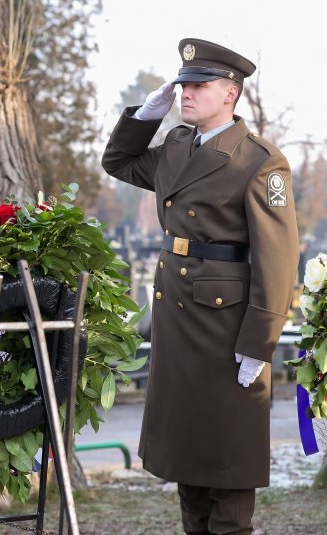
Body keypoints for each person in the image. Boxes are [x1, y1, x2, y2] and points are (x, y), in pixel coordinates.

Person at [102, 38, 299, 534]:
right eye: (182, 84)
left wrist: (259, 344)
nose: (184, 92)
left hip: (225, 326)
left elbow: (277, 261)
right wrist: (144, 117)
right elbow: (119, 163)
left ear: (230, 93)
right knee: (188, 464)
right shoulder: (174, 146)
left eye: (198, 84)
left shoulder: (259, 160)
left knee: (228, 467)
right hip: (177, 319)